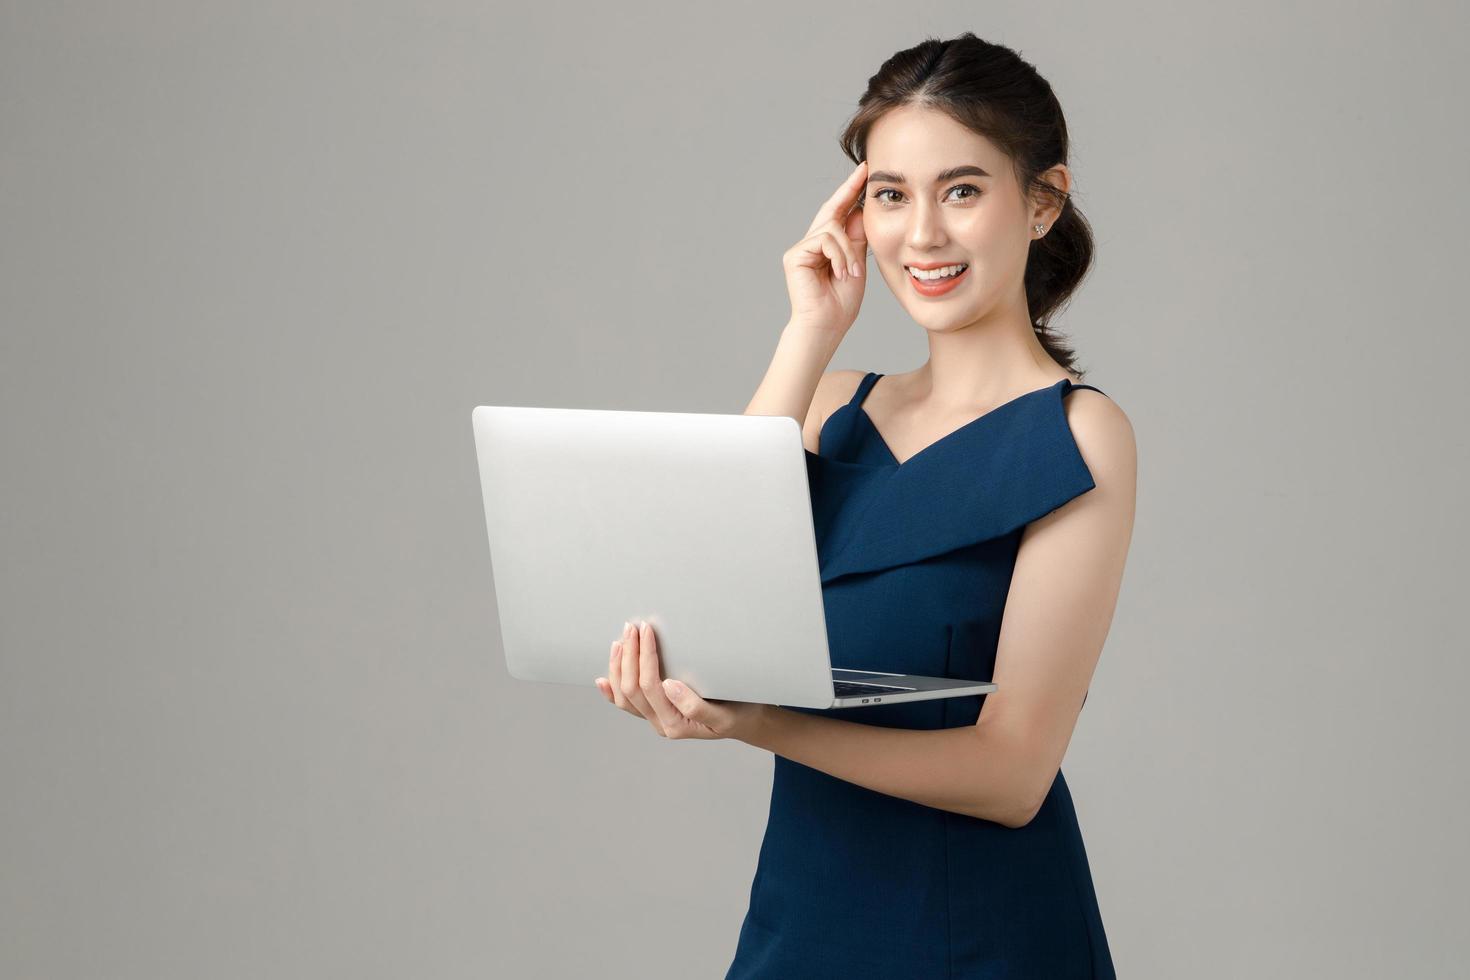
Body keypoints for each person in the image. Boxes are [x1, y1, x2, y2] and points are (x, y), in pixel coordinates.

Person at [594, 32, 1135, 979]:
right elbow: (698, 597)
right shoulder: (829, 403)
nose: (921, 235)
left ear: (1042, 200)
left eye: (961, 190)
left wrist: (758, 724)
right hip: (803, 920)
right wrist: (809, 330)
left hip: (984, 936)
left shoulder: (1079, 436)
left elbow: (1012, 776)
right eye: (891, 194)